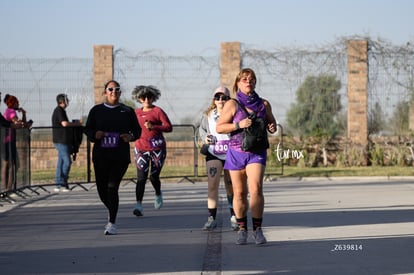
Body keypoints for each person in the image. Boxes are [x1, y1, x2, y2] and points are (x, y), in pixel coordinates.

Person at [216, 68, 277, 245]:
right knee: (239, 193)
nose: (248, 82)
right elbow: (220, 127)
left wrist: (272, 127)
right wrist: (238, 124)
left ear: (255, 82)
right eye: (244, 79)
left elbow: (271, 122)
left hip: (256, 152)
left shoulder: (264, 104)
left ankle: (257, 230)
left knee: (256, 188)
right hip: (236, 153)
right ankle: (242, 229)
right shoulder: (232, 104)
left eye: (251, 79)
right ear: (238, 83)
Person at [84, 80, 141, 235]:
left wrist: (130, 136)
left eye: (117, 89)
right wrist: (95, 135)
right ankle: (112, 209)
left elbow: (137, 131)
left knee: (112, 187)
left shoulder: (127, 111)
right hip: (101, 156)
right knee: (102, 190)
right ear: (105, 92)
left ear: (120, 93)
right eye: (110, 89)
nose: (113, 92)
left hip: (119, 156)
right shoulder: (96, 111)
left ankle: (112, 222)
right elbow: (88, 129)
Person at [198, 86, 237, 231]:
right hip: (214, 152)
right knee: (212, 184)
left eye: (224, 97)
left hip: (231, 153)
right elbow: (201, 131)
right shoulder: (207, 115)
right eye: (217, 97)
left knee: (230, 185)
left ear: (229, 99)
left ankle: (234, 216)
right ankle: (211, 218)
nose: (220, 100)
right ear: (213, 99)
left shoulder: (234, 112)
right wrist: (205, 137)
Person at [131, 85, 172, 217]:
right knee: (141, 178)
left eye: (149, 97)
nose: (147, 99)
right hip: (141, 148)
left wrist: (154, 126)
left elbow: (168, 127)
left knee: (153, 176)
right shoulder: (135, 113)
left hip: (157, 148)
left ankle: (158, 193)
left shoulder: (158, 111)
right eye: (143, 97)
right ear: (139, 99)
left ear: (154, 98)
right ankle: (139, 205)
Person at [51, 93, 83, 192]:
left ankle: (58, 184)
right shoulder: (59, 110)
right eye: (66, 100)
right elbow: (64, 123)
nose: (68, 101)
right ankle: (63, 183)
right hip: (61, 141)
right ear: (62, 101)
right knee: (67, 162)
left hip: (63, 140)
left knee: (60, 162)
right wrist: (76, 123)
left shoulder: (61, 111)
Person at [1, 94, 29, 193]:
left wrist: (24, 115)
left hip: (7, 140)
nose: (19, 104)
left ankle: (7, 188)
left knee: (9, 164)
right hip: (7, 141)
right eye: (17, 102)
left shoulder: (7, 111)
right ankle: (8, 189)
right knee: (12, 164)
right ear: (13, 103)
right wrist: (23, 122)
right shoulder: (11, 111)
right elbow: (18, 123)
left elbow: (22, 124)